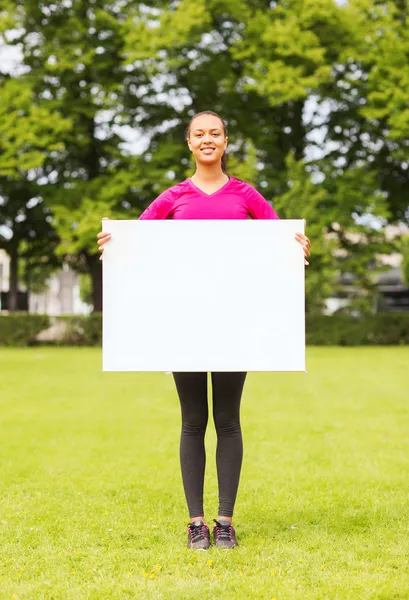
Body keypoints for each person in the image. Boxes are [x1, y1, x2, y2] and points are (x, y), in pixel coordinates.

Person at [97, 111, 311, 550]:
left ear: (225, 141)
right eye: (200, 134)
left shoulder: (246, 196)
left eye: (215, 133)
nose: (208, 139)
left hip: (235, 323)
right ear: (189, 143)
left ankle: (225, 522)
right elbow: (137, 244)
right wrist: (113, 244)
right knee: (193, 422)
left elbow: (278, 244)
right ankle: (196, 524)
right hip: (184, 325)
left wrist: (298, 247)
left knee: (228, 421)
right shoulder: (173, 197)